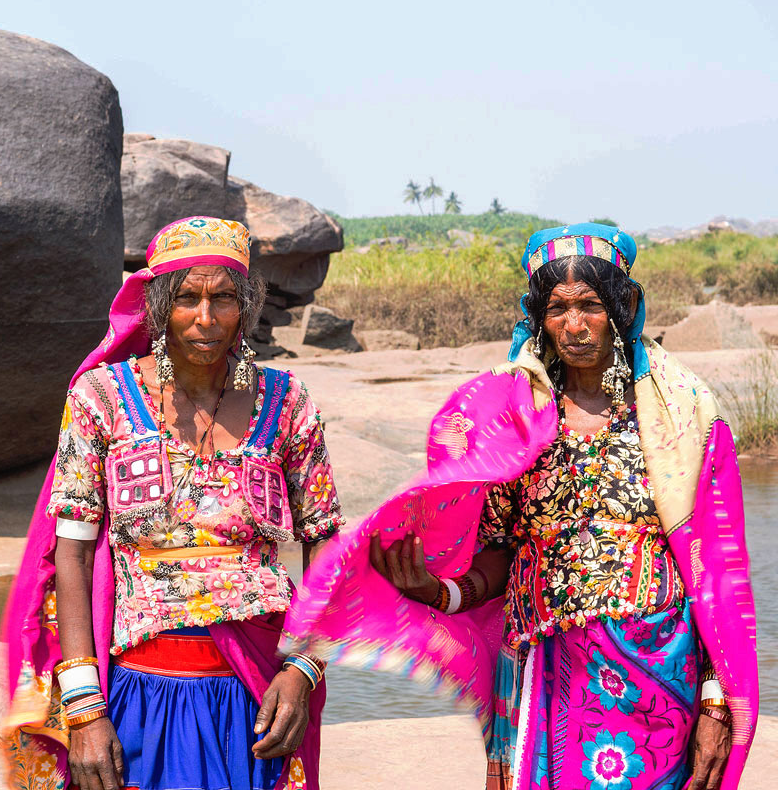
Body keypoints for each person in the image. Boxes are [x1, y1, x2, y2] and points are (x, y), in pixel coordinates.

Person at [284, 224, 758, 790]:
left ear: (624, 307)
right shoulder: (513, 420)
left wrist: (715, 702)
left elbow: (716, 575)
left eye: (591, 305)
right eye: (558, 308)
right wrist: (440, 593)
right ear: (539, 316)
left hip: (659, 671)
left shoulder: (681, 419)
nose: (575, 325)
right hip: (541, 669)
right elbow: (501, 552)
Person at [0, 217, 345, 790]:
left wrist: (304, 668)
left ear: (247, 307)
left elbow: (327, 546)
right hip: (138, 691)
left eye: (223, 298)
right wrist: (85, 712)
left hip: (258, 692)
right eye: (187, 298)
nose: (205, 319)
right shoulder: (102, 399)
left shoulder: (288, 403)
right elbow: (73, 559)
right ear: (159, 308)